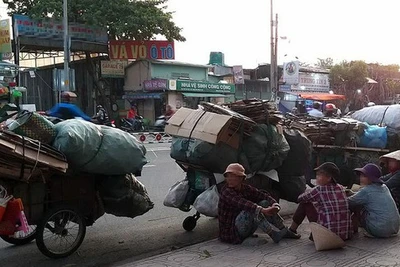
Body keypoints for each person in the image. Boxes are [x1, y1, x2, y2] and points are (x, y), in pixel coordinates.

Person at [218, 163, 300, 244]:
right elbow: (243, 203)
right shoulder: (226, 191)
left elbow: (262, 195)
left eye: (233, 176)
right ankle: (272, 233)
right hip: (232, 232)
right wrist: (263, 210)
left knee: (264, 203)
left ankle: (283, 229)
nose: (229, 179)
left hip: (242, 225)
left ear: (241, 178)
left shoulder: (245, 188)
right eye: (228, 176)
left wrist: (275, 204)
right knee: (252, 209)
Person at [289, 162, 352, 241]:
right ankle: (310, 233)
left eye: (319, 175)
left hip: (327, 237)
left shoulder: (319, 189)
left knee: (305, 203)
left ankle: (292, 230)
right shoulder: (341, 188)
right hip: (343, 236)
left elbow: (300, 198)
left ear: (329, 178)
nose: (317, 177)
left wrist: (307, 191)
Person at [349, 163, 400, 238]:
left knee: (357, 206)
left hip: (379, 230)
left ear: (371, 178)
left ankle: (354, 229)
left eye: (364, 176)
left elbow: (349, 202)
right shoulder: (384, 187)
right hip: (395, 228)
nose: (361, 178)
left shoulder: (366, 191)